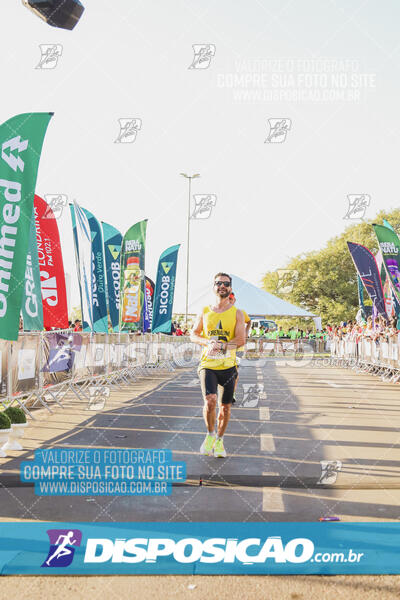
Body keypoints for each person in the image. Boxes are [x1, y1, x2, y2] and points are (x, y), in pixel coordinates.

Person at [191, 273, 245, 458]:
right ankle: (210, 434)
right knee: (210, 400)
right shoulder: (205, 310)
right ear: (213, 286)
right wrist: (207, 343)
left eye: (226, 284)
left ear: (230, 288)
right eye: (218, 283)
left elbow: (241, 339)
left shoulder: (237, 312)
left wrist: (223, 346)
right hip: (208, 364)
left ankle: (220, 441)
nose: (222, 286)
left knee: (225, 407)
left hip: (228, 366)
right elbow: (193, 334)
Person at [228, 292, 251, 402]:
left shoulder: (240, 312)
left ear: (234, 300)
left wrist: (246, 334)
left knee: (234, 372)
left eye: (231, 299)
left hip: (238, 347)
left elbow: (249, 321)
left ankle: (232, 393)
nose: (229, 300)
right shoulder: (219, 312)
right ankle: (224, 391)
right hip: (226, 347)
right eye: (227, 298)